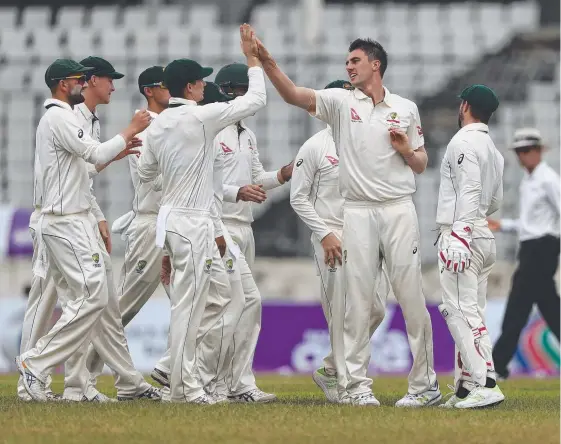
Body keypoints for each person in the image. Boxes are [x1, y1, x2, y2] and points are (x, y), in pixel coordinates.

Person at [253, 31, 438, 407]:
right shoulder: (339, 102)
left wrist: (405, 149)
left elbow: (420, 163)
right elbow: (293, 95)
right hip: (356, 213)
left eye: (355, 61)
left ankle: (424, 387)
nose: (348, 66)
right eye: (347, 62)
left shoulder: (405, 108)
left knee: (411, 299)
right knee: (356, 304)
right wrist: (266, 62)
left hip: (399, 207)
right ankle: (355, 387)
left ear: (375, 64)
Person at [137, 24, 267, 404]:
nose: (202, 88)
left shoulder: (159, 124)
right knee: (191, 307)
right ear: (192, 87)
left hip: (175, 221)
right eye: (200, 84)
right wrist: (251, 59)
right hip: (193, 222)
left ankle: (181, 375)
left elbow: (147, 173)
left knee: (211, 301)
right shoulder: (200, 117)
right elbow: (256, 99)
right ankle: (184, 388)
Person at [15, 58, 151, 402]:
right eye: (80, 79)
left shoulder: (76, 118)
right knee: (76, 297)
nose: (87, 83)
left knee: (93, 299)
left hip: (74, 217)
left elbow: (82, 169)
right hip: (59, 220)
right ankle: (34, 367)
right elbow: (92, 155)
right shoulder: (60, 116)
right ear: (65, 84)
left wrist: (99, 209)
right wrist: (131, 129)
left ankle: (76, 384)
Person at [290, 80, 390, 403]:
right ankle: (348, 386)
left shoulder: (364, 144)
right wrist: (324, 234)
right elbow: (298, 198)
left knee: (375, 309)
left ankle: (332, 368)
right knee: (341, 313)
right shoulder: (314, 147)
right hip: (330, 238)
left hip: (364, 237)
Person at [213, 62, 293, 403]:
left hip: (244, 227)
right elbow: (202, 184)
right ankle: (223, 383)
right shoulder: (212, 131)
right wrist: (237, 192)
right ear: (234, 92)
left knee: (243, 305)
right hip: (219, 226)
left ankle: (236, 383)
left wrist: (284, 175)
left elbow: (257, 176)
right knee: (245, 302)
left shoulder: (247, 134)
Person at [436, 84, 505, 409]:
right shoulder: (493, 148)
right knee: (472, 311)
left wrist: (460, 235)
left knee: (457, 311)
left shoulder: (462, 141)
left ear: (465, 106)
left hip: (462, 234)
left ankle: (486, 382)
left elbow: (472, 189)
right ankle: (465, 385)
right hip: (483, 235)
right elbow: (494, 202)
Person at [488, 128, 560, 380]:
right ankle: (498, 365)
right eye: (520, 151)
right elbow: (529, 223)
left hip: (543, 247)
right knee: (549, 307)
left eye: (527, 150)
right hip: (531, 247)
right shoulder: (529, 181)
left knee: (518, 305)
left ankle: (497, 365)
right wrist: (503, 225)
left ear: (539, 151)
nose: (523, 156)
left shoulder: (548, 179)